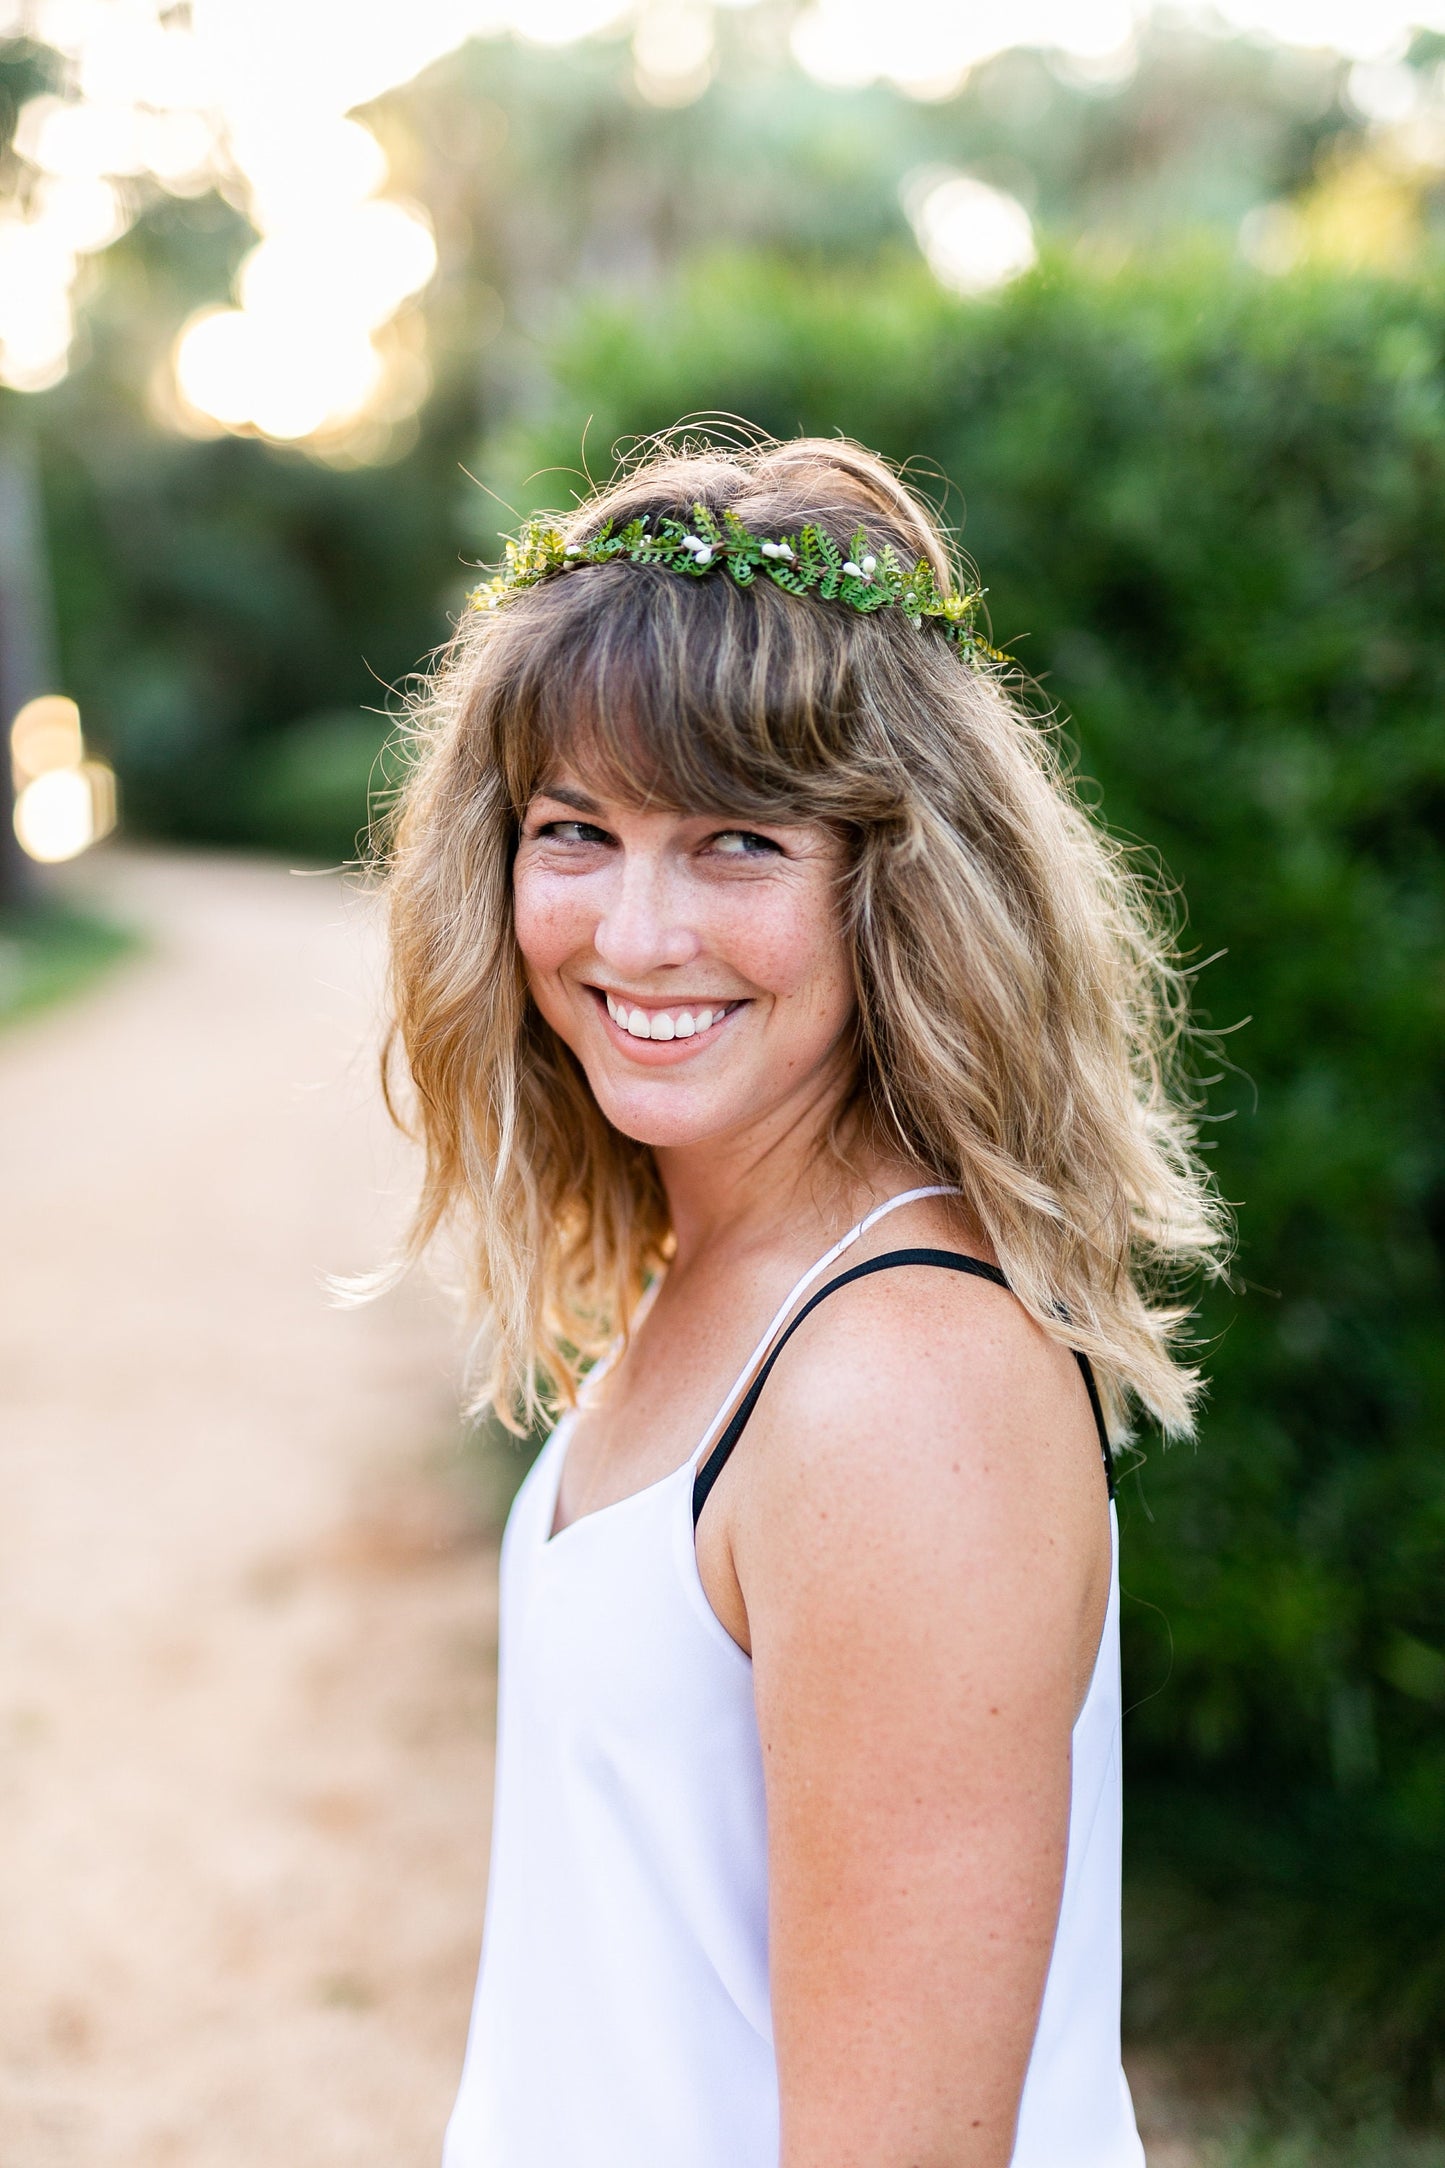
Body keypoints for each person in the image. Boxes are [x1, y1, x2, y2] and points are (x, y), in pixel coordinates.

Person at [379, 432, 1224, 2168]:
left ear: (889, 881)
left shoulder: (900, 1386)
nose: (633, 929)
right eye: (574, 832)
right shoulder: (729, 1270)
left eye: (736, 842)